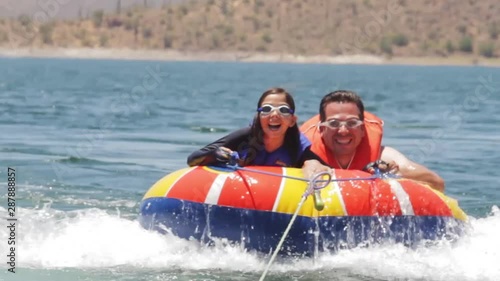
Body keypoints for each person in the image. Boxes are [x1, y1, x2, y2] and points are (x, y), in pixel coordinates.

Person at [300, 90, 445, 192]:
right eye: (333, 124)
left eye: (352, 123)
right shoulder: (305, 151)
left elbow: (437, 184)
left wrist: (391, 176)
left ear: (363, 129)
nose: (343, 131)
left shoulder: (381, 156)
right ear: (321, 130)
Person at [187, 87, 329, 178]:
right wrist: (214, 154)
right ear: (259, 117)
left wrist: (313, 164)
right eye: (266, 109)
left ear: (292, 120)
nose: (274, 115)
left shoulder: (297, 146)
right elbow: (193, 159)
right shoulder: (245, 137)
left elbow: (329, 172)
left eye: (283, 110)